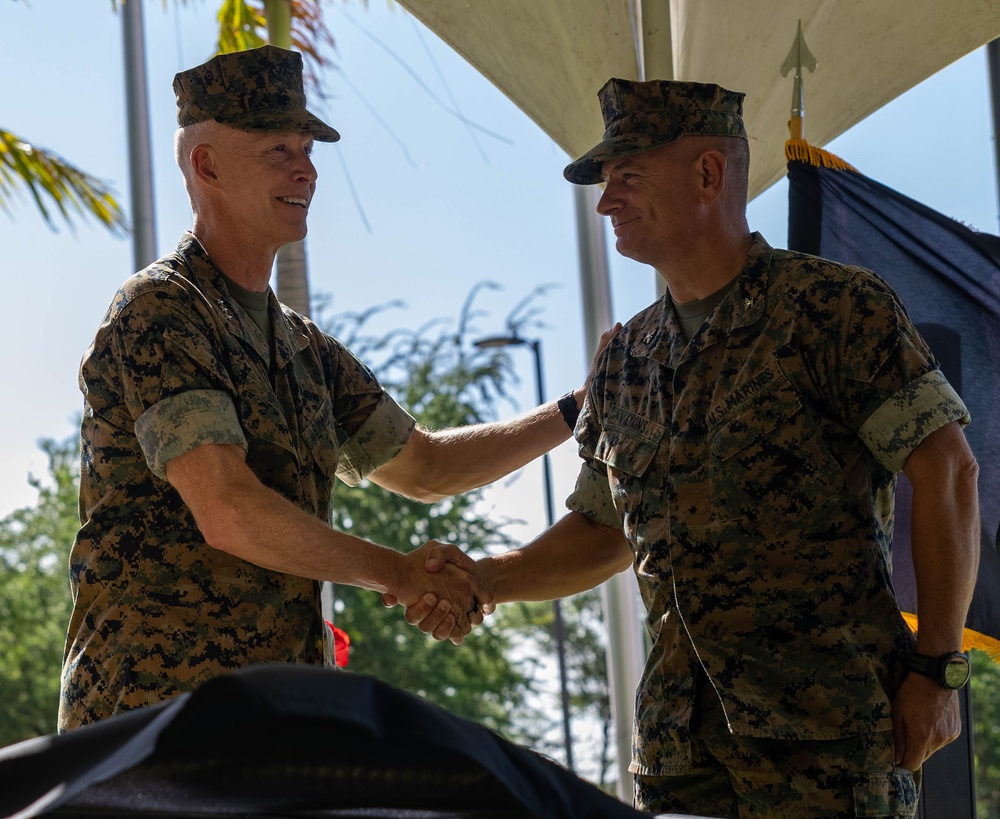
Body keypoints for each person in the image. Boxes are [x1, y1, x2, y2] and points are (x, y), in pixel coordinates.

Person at [404, 79, 981, 817]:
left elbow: (948, 471)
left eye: (628, 176)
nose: (608, 200)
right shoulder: (623, 359)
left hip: (827, 749)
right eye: (606, 183)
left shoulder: (835, 309)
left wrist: (937, 667)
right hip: (680, 758)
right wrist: (483, 579)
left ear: (709, 175)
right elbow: (602, 532)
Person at [57, 45, 602, 733]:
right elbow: (227, 507)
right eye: (277, 149)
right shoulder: (160, 311)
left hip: (273, 724)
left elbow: (428, 467)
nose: (306, 169)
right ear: (206, 164)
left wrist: (580, 409)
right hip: (152, 726)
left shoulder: (302, 348)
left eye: (308, 148)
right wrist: (399, 574)